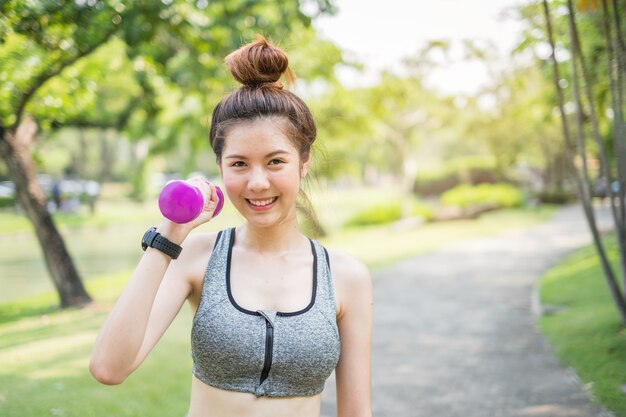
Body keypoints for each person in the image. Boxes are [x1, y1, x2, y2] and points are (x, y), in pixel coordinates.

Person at [90, 37, 373, 417]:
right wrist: (168, 237)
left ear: (303, 164)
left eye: (275, 162)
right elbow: (109, 367)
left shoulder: (346, 276)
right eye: (239, 164)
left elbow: (355, 412)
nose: (257, 182)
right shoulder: (194, 257)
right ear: (221, 167)